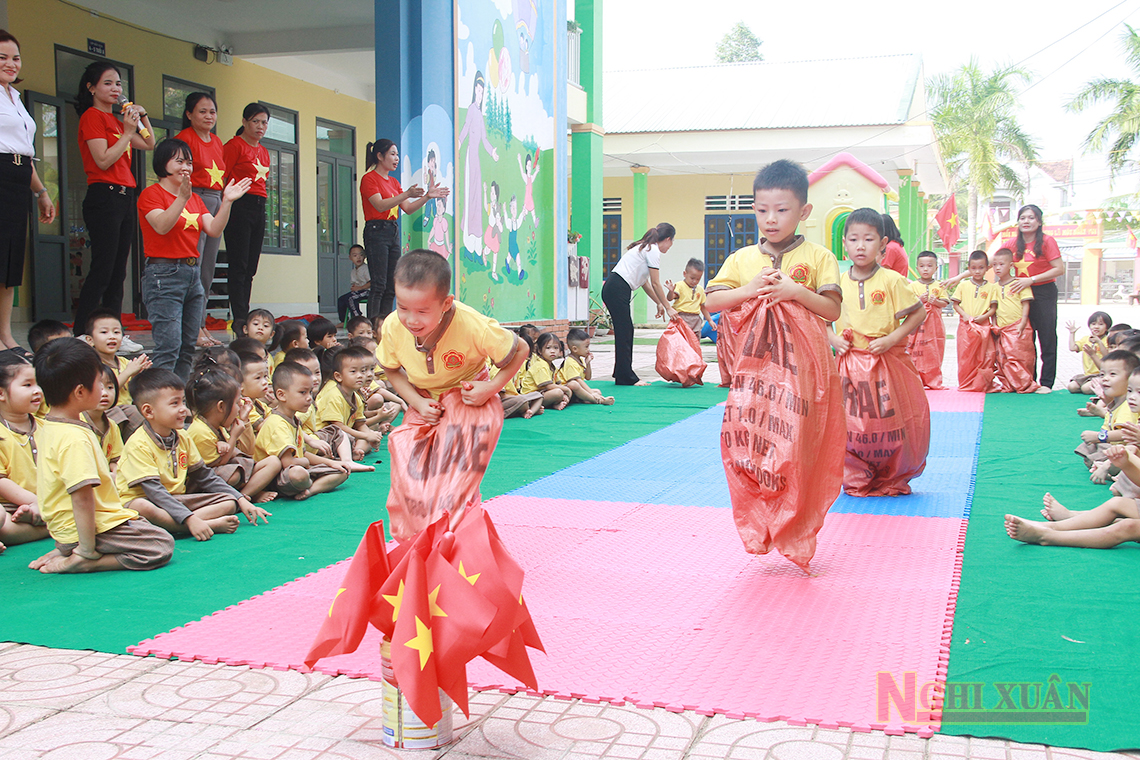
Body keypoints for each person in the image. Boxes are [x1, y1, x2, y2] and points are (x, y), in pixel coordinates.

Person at [377, 250, 530, 538]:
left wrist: (492, 387)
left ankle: (455, 542)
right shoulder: (393, 326)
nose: (411, 319)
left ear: (446, 303)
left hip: (468, 397)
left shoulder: (472, 325)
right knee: (407, 475)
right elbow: (392, 370)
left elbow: (520, 348)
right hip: (423, 400)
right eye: (403, 307)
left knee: (454, 482)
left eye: (422, 311)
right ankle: (418, 543)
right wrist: (418, 401)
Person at [28, 339, 174, 573]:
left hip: (69, 526)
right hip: (85, 527)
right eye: (101, 384)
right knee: (160, 544)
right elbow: (82, 497)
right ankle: (83, 560)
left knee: (141, 523)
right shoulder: (73, 437)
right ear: (80, 392)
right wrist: (86, 549)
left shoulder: (51, 425)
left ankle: (67, 548)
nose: (106, 390)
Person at [830, 207, 928, 497]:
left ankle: (892, 475)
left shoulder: (892, 281)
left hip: (886, 363)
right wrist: (833, 340)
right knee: (851, 423)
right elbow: (821, 319)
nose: (861, 246)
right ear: (844, 244)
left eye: (869, 239)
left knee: (891, 420)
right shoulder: (836, 284)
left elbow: (918, 313)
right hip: (850, 365)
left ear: (883, 244)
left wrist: (892, 338)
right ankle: (856, 475)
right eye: (854, 239)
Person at [139, 138, 251, 381]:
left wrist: (227, 201)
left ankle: (177, 398)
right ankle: (161, 402)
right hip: (163, 274)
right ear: (162, 163)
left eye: (189, 162)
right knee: (168, 346)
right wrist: (181, 198)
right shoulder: (151, 194)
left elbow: (213, 229)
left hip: (191, 274)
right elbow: (161, 226)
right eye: (179, 161)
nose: (186, 167)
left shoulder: (195, 199)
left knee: (187, 346)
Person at [115, 368, 269, 541]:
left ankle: (178, 526)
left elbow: (205, 476)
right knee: (142, 506)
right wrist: (191, 518)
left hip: (177, 500)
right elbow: (156, 493)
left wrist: (241, 499)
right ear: (149, 411)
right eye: (175, 404)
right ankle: (197, 524)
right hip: (149, 502)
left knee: (229, 501)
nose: (184, 410)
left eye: (183, 402)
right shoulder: (138, 444)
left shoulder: (182, 436)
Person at [72, 61, 155, 348]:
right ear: (91, 87)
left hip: (125, 195)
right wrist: (127, 132)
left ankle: (113, 333)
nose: (115, 89)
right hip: (103, 195)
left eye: (118, 84)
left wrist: (140, 118)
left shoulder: (122, 121)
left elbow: (150, 143)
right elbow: (103, 159)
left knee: (119, 270)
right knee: (103, 268)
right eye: (107, 83)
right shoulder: (91, 117)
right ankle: (82, 332)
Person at [0, 30, 56, 357]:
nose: (11, 64)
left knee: (10, 262)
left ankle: (6, 334)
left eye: (15, 58)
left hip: (20, 177)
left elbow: (23, 151)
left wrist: (42, 192)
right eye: (3, 58)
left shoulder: (15, 98)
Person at [360, 139, 448, 320]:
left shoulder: (393, 182)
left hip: (392, 230)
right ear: (379, 156)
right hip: (376, 230)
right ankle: (371, 326)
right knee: (379, 283)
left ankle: (384, 325)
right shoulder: (369, 179)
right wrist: (406, 193)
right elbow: (379, 205)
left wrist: (427, 197)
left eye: (397, 154)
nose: (396, 158)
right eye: (392, 154)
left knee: (392, 285)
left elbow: (407, 208)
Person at [185, 364, 281, 504]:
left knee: (273, 462)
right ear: (221, 407)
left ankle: (244, 496)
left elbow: (248, 452)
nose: (239, 407)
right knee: (234, 475)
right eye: (236, 403)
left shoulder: (220, 425)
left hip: (226, 475)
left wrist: (244, 421)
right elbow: (216, 467)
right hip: (202, 485)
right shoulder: (200, 430)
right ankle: (240, 499)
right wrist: (234, 437)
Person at [254, 361, 349, 499]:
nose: (309, 398)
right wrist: (305, 462)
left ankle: (309, 490)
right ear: (281, 395)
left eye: (310, 392)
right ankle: (308, 484)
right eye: (302, 392)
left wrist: (331, 463)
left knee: (342, 471)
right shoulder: (277, 423)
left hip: (297, 470)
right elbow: (288, 463)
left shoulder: (293, 420)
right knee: (299, 474)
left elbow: (301, 453)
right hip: (276, 477)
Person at [175, 93, 226, 348]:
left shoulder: (216, 141)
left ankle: (201, 323)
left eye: (212, 112)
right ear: (189, 115)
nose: (208, 116)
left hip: (216, 199)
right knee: (194, 263)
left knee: (207, 267)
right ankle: (190, 326)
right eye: (202, 111)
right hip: (195, 198)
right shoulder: (184, 140)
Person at [601, 222, 678, 385]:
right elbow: (656, 283)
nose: (670, 247)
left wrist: (658, 302)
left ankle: (621, 373)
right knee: (625, 332)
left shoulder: (645, 248)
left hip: (615, 287)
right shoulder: (653, 250)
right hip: (617, 288)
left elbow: (645, 283)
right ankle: (626, 377)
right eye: (672, 243)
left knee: (625, 331)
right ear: (668, 239)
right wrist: (668, 307)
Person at [223, 104, 271, 333]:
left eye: (264, 122)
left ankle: (245, 311)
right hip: (239, 206)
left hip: (259, 206)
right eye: (256, 121)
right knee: (239, 264)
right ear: (244, 122)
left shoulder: (263, 150)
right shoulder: (234, 146)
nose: (260, 127)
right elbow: (222, 177)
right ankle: (240, 317)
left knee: (251, 266)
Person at [1008, 204, 1064, 393]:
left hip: (1044, 292)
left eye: (1031, 218)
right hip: (1021, 295)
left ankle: (1046, 382)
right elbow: (988, 263)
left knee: (1047, 336)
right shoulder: (1012, 244)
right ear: (1018, 222)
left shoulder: (1047, 241)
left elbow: (1059, 269)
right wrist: (960, 277)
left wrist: (1030, 280)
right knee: (1026, 337)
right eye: (1023, 218)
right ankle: (1028, 381)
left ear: (1039, 222)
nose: (1026, 221)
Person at [0, 354, 48, 548]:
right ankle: (51, 525)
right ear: (1, 393)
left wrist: (44, 505)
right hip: (10, 508)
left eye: (38, 384)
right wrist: (35, 503)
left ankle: (46, 522)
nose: (37, 391)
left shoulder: (50, 428)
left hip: (50, 504)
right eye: (27, 385)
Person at [1075, 349, 1139, 484]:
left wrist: (1099, 437)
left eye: (1113, 374)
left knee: (1110, 452)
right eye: (1102, 374)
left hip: (1123, 449)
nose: (1105, 378)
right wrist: (1101, 409)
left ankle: (1112, 471)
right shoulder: (1118, 402)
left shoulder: (1129, 406)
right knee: (1090, 446)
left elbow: (1124, 434)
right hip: (1116, 447)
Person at [315, 345, 385, 461]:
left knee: (369, 433)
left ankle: (356, 451)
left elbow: (360, 424)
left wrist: (371, 436)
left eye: (362, 371)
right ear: (338, 376)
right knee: (349, 436)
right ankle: (346, 454)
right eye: (353, 371)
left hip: (344, 436)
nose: (360, 375)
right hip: (326, 436)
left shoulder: (355, 396)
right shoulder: (334, 395)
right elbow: (338, 426)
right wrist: (366, 435)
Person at [457, 72, 498, 260]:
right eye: (477, 90)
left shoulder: (480, 115)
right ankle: (468, 242)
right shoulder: (472, 110)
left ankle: (475, 243)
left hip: (477, 162)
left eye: (482, 92)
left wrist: (492, 152)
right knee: (469, 199)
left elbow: (484, 139)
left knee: (477, 200)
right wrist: (458, 142)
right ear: (474, 90)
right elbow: (465, 127)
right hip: (469, 158)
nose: (479, 95)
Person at [991, 248, 1038, 393]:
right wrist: (994, 324)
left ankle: (1024, 385)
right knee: (1003, 358)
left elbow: (1025, 304)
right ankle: (1009, 384)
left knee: (1020, 357)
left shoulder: (1020, 283)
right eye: (994, 265)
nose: (997, 268)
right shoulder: (993, 287)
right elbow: (993, 308)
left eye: (1001, 264)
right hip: (1002, 329)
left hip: (1018, 326)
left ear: (1011, 266)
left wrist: (1023, 322)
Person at [950, 251, 998, 392]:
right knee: (966, 356)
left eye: (981, 267)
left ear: (987, 268)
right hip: (966, 327)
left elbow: (993, 308)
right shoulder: (963, 285)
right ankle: (965, 384)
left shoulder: (991, 287)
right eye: (974, 268)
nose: (977, 271)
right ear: (969, 268)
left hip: (983, 326)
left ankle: (982, 384)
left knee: (985, 356)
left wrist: (984, 317)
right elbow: (955, 304)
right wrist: (965, 315)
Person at [906, 251, 948, 390]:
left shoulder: (939, 286)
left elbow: (945, 303)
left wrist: (936, 302)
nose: (925, 269)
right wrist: (919, 300)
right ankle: (915, 379)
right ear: (917, 268)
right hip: (917, 327)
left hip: (933, 328)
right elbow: (907, 305)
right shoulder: (912, 286)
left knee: (933, 352)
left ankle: (933, 380)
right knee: (914, 351)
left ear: (936, 268)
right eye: (922, 266)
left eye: (929, 266)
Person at [81, 365, 123, 476]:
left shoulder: (112, 425)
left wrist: (115, 470)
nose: (105, 393)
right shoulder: (77, 424)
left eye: (110, 387)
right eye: (98, 388)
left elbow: (115, 459)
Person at [556, 327, 614, 405]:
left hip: (575, 392)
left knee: (597, 391)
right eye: (586, 347)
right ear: (575, 349)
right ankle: (598, 400)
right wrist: (591, 393)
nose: (588, 350)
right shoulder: (570, 362)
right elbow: (578, 381)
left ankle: (585, 399)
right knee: (574, 384)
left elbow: (588, 377)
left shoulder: (580, 360)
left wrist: (588, 363)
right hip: (566, 392)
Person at [518, 332, 571, 409]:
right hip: (531, 397)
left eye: (556, 348)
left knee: (565, 389)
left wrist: (565, 393)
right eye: (548, 348)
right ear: (539, 350)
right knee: (558, 392)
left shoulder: (552, 366)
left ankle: (555, 404)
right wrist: (566, 390)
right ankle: (544, 405)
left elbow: (557, 383)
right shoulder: (541, 365)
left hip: (542, 393)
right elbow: (548, 386)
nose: (552, 351)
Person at [666, 258, 715, 338]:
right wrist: (671, 291)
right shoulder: (680, 285)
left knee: (695, 339)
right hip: (681, 317)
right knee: (681, 339)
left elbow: (703, 307)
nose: (694, 281)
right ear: (685, 274)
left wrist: (709, 320)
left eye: (698, 279)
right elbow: (670, 298)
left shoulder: (700, 289)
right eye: (692, 278)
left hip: (695, 318)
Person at [1067, 312, 1111, 395]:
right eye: (1093, 324)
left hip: (1101, 374)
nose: (1096, 327)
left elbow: (1108, 357)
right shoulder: (1086, 339)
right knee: (1071, 387)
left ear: (1107, 327)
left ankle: (1103, 386)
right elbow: (1073, 348)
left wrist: (1099, 342)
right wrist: (1072, 333)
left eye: (1101, 324)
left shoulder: (1107, 340)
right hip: (1087, 375)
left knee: (1085, 389)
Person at [338, 244, 369, 322]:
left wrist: (360, 288)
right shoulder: (353, 271)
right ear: (350, 258)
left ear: (364, 256)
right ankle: (343, 321)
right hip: (358, 291)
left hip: (367, 291)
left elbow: (371, 282)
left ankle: (357, 318)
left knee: (351, 298)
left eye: (361, 255)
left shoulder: (366, 269)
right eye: (355, 255)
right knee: (341, 299)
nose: (358, 257)